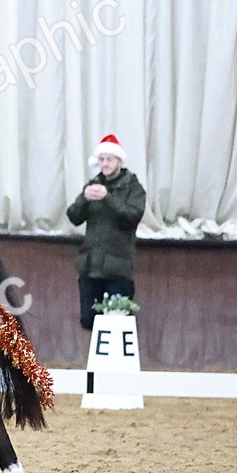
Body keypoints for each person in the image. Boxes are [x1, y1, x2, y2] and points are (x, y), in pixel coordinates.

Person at [66, 134, 147, 331]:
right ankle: (89, 352)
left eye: (109, 159)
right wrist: (84, 199)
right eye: (101, 159)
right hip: (90, 266)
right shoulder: (93, 185)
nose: (105, 164)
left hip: (118, 268)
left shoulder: (133, 188)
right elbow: (74, 217)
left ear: (119, 160)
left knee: (117, 321)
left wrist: (108, 198)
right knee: (88, 320)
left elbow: (131, 217)